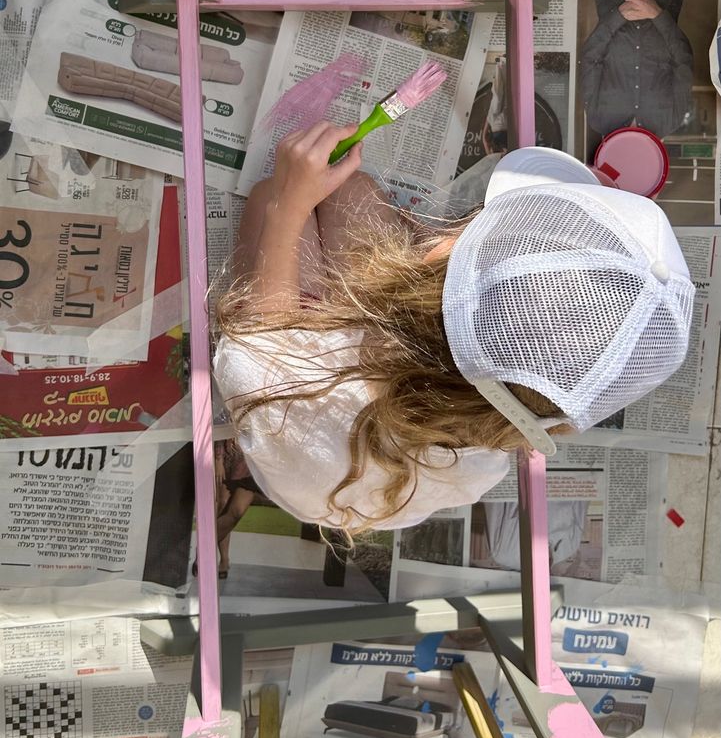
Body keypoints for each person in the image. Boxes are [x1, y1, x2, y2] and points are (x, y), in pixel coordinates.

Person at [213, 123, 694, 536]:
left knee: (268, 196)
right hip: (368, 411)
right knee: (353, 191)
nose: (457, 225)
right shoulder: (487, 441)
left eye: (474, 229)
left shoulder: (291, 394)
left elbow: (262, 337)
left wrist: (290, 205)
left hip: (299, 399)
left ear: (435, 263)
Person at [581, 0, 694, 139]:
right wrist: (657, 14)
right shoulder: (670, 121)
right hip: (663, 0)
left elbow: (590, 58)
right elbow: (684, 61)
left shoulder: (598, 119)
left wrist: (618, 15)